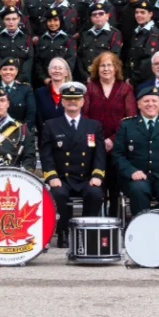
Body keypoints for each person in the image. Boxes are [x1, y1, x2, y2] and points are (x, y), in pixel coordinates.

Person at [40, 82, 106, 247]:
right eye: (68, 99)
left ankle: (85, 230)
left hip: (85, 178)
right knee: (59, 195)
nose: (72, 102)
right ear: (62, 102)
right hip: (62, 178)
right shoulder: (51, 125)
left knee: (96, 194)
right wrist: (51, 176)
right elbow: (46, 155)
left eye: (76, 99)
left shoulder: (93, 126)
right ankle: (63, 231)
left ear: (83, 102)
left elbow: (99, 154)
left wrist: (97, 175)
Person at [114, 85, 159, 215]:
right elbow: (118, 154)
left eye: (154, 101)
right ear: (138, 104)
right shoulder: (127, 125)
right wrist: (131, 171)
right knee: (138, 190)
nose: (150, 104)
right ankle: (141, 229)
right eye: (146, 101)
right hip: (138, 177)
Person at [82, 51, 136, 217]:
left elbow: (130, 117)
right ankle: (95, 219)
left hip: (118, 144)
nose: (106, 69)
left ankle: (114, 218)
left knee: (115, 184)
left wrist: (112, 140)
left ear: (116, 68)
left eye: (109, 65)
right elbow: (84, 115)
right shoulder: (90, 88)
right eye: (102, 65)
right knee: (97, 184)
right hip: (93, 145)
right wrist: (99, 141)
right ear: (97, 69)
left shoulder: (125, 89)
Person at [0, 57, 36, 131]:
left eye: (11, 69)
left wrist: (23, 132)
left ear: (16, 72)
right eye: (4, 69)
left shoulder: (25, 89)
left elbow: (31, 115)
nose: (8, 72)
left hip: (19, 133)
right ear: (0, 72)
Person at [76, 3, 123, 82]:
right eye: (94, 15)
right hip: (87, 78)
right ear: (91, 18)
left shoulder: (114, 34)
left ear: (107, 16)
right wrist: (85, 76)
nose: (97, 16)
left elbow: (115, 58)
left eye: (101, 14)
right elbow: (80, 57)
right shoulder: (85, 34)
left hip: (105, 78)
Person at [33, 8, 77, 87]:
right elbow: (38, 62)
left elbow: (70, 61)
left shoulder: (68, 39)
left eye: (56, 20)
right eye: (49, 21)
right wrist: (44, 78)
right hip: (45, 82)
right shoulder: (42, 40)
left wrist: (61, 77)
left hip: (63, 81)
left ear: (60, 21)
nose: (52, 23)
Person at [0, 6, 34, 83]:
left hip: (22, 80)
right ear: (3, 20)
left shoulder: (26, 38)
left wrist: (20, 78)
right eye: (7, 19)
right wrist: (6, 75)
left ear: (19, 19)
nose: (11, 22)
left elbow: (29, 59)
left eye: (14, 19)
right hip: (3, 79)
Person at [126, 0, 159, 86]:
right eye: (137, 12)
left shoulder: (152, 33)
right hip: (134, 77)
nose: (138, 15)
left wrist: (133, 80)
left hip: (145, 80)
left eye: (142, 12)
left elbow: (148, 61)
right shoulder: (137, 30)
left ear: (150, 14)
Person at [35, 56, 72, 130]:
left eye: (60, 68)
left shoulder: (74, 93)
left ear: (66, 73)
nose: (57, 71)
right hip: (46, 136)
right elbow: (38, 118)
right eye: (54, 68)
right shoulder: (39, 93)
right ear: (49, 72)